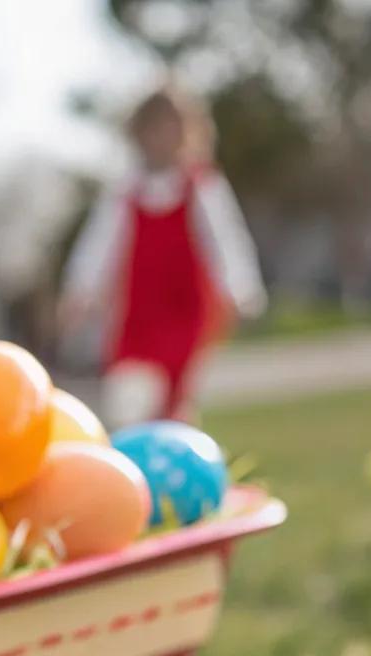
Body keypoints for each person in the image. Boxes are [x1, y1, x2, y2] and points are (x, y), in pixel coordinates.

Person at [60, 83, 266, 428]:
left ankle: (180, 469)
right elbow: (97, 248)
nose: (162, 136)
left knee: (175, 405)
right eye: (154, 127)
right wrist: (80, 293)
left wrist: (242, 289)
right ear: (139, 133)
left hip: (186, 313)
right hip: (137, 316)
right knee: (128, 402)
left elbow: (226, 239)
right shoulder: (124, 192)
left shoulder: (202, 185)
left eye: (171, 126)